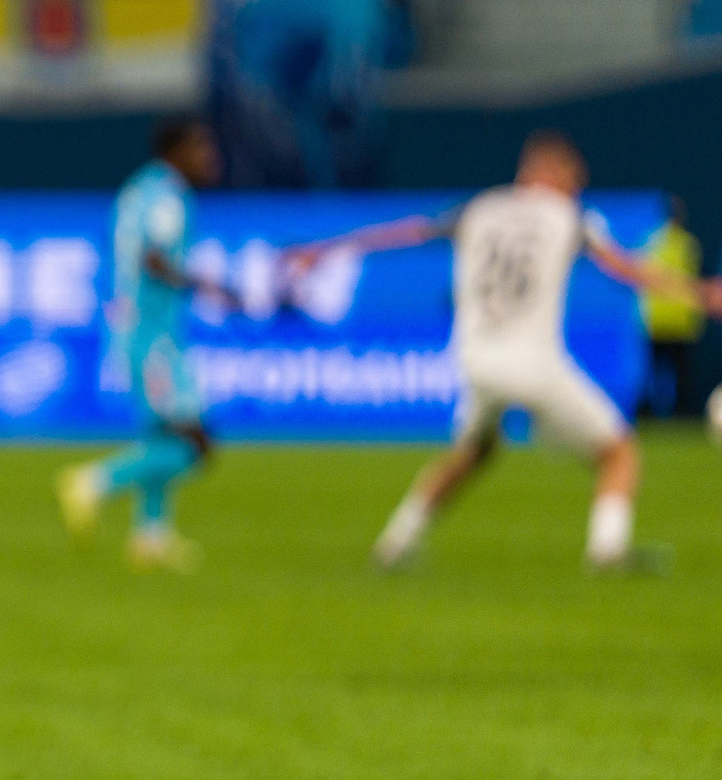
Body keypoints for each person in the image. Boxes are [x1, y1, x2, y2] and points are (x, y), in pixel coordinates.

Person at [290, 132, 722, 573]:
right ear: (551, 173)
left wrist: (323, 249)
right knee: (619, 451)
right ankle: (608, 550)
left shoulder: (480, 208)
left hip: (476, 358)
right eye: (572, 178)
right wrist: (699, 293)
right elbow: (624, 269)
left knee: (473, 453)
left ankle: (396, 541)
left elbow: (408, 232)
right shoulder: (569, 216)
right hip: (534, 360)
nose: (575, 188)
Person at [57, 118, 230, 571]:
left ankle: (151, 536)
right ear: (176, 152)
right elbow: (154, 257)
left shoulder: (139, 188)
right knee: (195, 443)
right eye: (201, 148)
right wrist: (206, 286)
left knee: (158, 434)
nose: (209, 159)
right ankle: (94, 483)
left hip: (138, 330)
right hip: (153, 337)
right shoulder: (169, 197)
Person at [635, 196, 703, 418]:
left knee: (655, 373)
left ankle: (651, 414)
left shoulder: (651, 240)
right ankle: (675, 413)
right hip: (677, 321)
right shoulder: (687, 243)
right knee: (674, 373)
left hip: (659, 321)